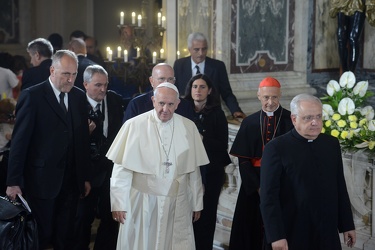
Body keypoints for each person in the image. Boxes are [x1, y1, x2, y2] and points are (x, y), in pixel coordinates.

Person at [6, 50, 91, 249]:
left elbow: (81, 141)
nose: (70, 80)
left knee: (66, 237)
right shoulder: (32, 96)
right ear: (52, 70)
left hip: (71, 183)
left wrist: (84, 176)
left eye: (74, 74)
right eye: (65, 74)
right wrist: (13, 181)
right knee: (41, 237)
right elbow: (19, 143)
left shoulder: (78, 97)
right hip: (40, 182)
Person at [107, 82, 209, 250]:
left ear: (178, 104)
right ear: (153, 100)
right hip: (143, 202)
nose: (165, 109)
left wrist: (197, 203)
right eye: (161, 103)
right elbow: (121, 169)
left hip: (178, 203)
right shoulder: (134, 125)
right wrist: (118, 203)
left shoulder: (189, 127)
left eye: (170, 104)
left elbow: (194, 171)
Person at [260, 93, 356, 250]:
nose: (315, 122)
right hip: (292, 231)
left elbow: (339, 186)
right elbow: (268, 198)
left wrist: (346, 224)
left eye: (319, 117)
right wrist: (276, 236)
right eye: (308, 118)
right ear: (294, 119)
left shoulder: (331, 144)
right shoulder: (276, 148)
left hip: (326, 231)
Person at [228, 77, 293, 250]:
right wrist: (257, 187)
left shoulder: (290, 120)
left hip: (282, 184)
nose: (270, 102)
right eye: (266, 97)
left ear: (280, 96)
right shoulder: (250, 123)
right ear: (259, 96)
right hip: (253, 185)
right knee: (250, 231)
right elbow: (243, 160)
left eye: (274, 97)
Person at [73, 65, 123, 250]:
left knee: (111, 220)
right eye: (98, 85)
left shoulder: (115, 100)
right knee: (82, 222)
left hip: (111, 173)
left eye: (106, 85)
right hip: (85, 174)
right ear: (85, 84)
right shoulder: (75, 103)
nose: (103, 89)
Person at [184, 74, 231, 250]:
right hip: (187, 169)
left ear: (209, 91)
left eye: (203, 87)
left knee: (206, 214)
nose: (198, 90)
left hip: (211, 171)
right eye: (195, 86)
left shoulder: (217, 113)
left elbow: (222, 145)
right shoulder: (183, 110)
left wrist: (203, 138)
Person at [173, 32, 245, 119]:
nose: (201, 53)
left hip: (212, 115)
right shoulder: (179, 65)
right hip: (186, 114)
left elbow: (227, 93)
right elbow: (175, 91)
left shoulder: (217, 66)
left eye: (204, 49)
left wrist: (235, 110)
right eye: (197, 49)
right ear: (189, 49)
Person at [123, 63, 195, 122]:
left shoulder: (185, 106)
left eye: (170, 79)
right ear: (151, 81)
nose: (166, 83)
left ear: (174, 82)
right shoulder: (136, 105)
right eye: (161, 79)